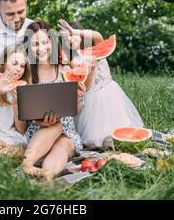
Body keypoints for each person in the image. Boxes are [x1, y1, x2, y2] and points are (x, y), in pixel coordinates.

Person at [58, 20, 144, 148]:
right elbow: (85, 88)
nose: (69, 39)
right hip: (90, 103)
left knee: (123, 134)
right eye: (65, 38)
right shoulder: (72, 62)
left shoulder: (96, 47)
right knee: (97, 143)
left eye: (72, 35)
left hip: (110, 96)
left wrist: (74, 31)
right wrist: (91, 70)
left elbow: (97, 35)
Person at [19, 21, 86, 181]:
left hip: (67, 132)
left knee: (63, 144)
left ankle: (46, 176)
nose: (41, 48)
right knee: (54, 126)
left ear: (52, 42)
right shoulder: (27, 74)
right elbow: (24, 114)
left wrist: (78, 98)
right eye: (35, 44)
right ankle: (27, 163)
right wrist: (39, 121)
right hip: (38, 131)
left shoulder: (65, 69)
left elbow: (75, 109)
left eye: (45, 42)